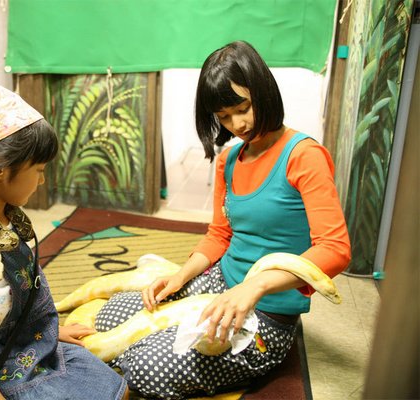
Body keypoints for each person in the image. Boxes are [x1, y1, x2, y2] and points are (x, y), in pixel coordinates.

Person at [94, 41, 351, 398]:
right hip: (220, 281)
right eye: (224, 116)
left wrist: (253, 287)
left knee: (143, 366)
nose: (237, 124)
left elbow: (335, 249)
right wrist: (181, 276)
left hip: (266, 314)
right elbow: (219, 234)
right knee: (109, 315)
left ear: (263, 90)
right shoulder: (229, 160)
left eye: (243, 108)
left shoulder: (304, 156)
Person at [0, 86, 128, 400]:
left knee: (116, 390)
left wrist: (50, 333)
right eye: (39, 170)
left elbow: (18, 301)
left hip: (29, 345)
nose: (42, 180)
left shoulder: (9, 223)